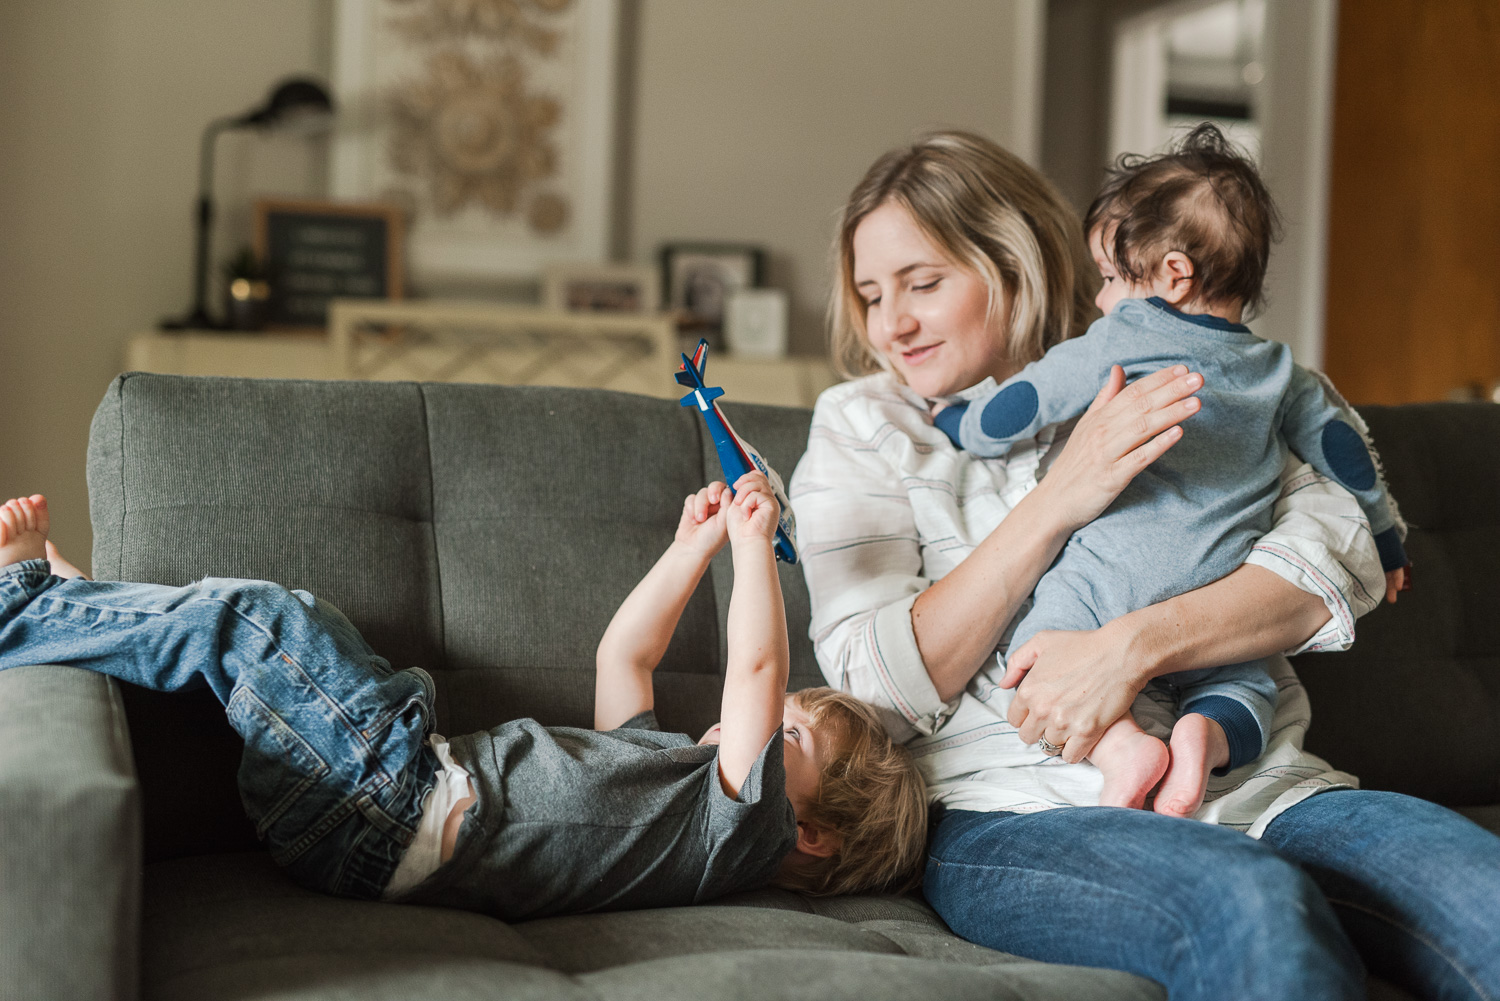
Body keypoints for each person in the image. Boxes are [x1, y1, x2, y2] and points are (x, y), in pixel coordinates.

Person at [791, 130, 1500, 1000]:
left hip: (1263, 785)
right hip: (1021, 811)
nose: (888, 323)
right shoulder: (865, 425)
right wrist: (1064, 495)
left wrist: (1133, 646)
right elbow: (878, 685)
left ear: (1015, 264)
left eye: (923, 283)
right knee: (1251, 901)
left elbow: (1339, 551)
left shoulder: (1202, 368)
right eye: (869, 294)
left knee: (1487, 897)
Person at [0, 478, 927, 920]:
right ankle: (81, 603)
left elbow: (759, 671)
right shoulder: (668, 783)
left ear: (807, 831)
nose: (758, 729)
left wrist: (754, 548)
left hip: (390, 806)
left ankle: (22, 608)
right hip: (382, 795)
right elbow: (623, 657)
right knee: (299, 628)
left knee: (267, 622)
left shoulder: (731, 828)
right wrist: (692, 545)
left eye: (791, 738)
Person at [928, 125, 1408, 814]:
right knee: (1245, 686)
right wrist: (1389, 543)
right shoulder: (1281, 371)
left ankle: (1124, 748)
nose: (1100, 300)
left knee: (1035, 648)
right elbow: (1346, 452)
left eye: (1111, 277)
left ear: (1174, 274)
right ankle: (1201, 740)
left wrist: (958, 422)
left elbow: (1031, 398)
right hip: (1219, 583)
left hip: (1111, 575)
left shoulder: (1126, 336)